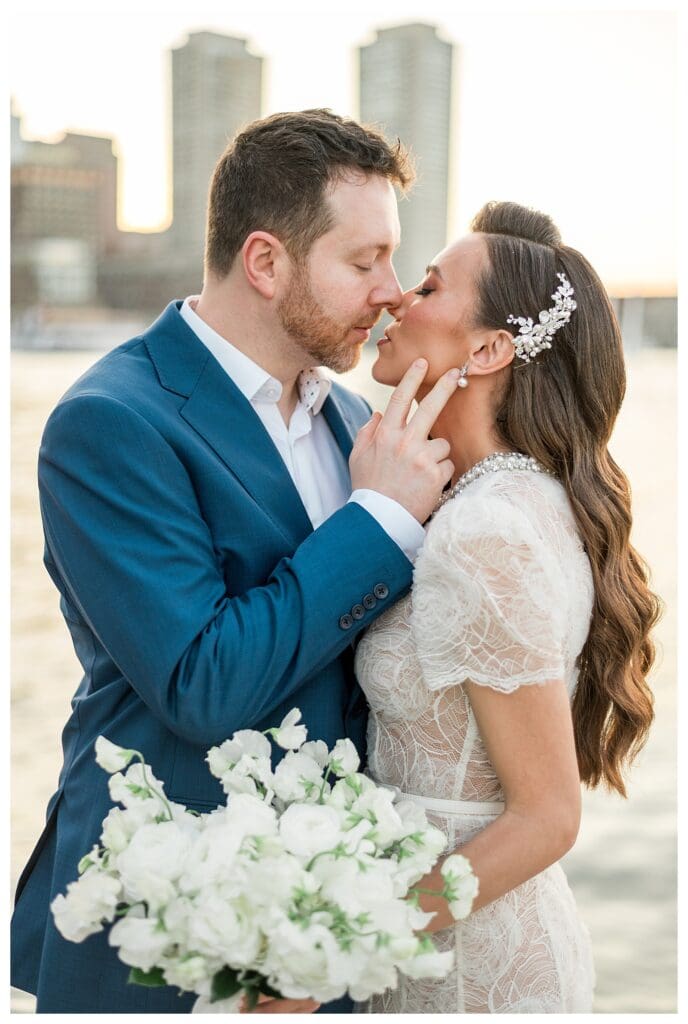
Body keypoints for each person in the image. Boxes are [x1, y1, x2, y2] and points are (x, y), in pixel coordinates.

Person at [10, 109, 462, 1014]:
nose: (392, 291)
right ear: (266, 262)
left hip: (318, 933)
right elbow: (200, 681)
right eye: (364, 260)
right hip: (159, 930)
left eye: (394, 259)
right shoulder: (111, 422)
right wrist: (377, 519)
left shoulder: (349, 425)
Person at [354, 201, 660, 1013]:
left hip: (464, 966)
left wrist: (350, 948)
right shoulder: (512, 499)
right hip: (449, 937)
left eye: (426, 286)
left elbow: (548, 817)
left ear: (489, 349)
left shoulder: (485, 530)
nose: (395, 301)